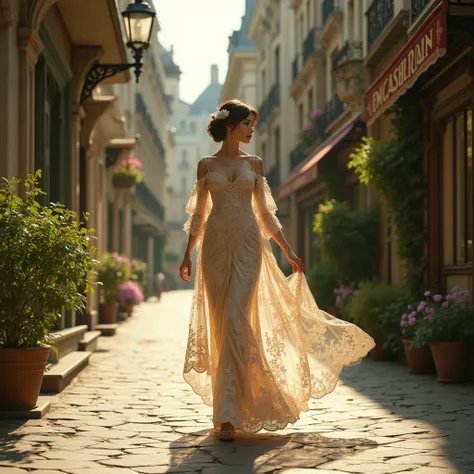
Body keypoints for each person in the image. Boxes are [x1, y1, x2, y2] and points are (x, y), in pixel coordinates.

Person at [179, 99, 375, 441]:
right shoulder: (204, 165)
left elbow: (266, 214)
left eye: (253, 124)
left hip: (249, 246)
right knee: (221, 323)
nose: (252, 130)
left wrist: (288, 249)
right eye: (247, 124)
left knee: (237, 320)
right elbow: (197, 216)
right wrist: (186, 255)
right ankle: (226, 413)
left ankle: (237, 409)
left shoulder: (254, 163)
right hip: (214, 251)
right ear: (230, 126)